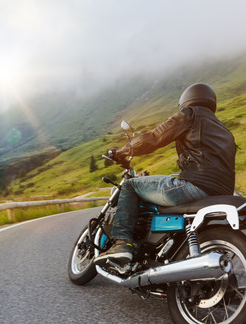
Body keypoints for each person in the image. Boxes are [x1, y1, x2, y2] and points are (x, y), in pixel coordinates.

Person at [96, 83, 237, 266]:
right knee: (170, 179)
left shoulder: (190, 114)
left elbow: (153, 139)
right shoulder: (224, 129)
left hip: (196, 185)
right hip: (222, 193)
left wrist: (123, 151)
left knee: (131, 185)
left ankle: (122, 243)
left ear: (187, 100)